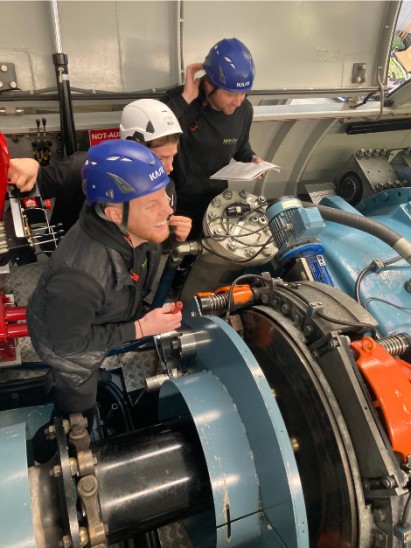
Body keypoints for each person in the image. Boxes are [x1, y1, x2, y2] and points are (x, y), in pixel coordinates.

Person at [27, 139, 183, 447]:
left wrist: (170, 238)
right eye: (152, 204)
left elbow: (144, 254)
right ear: (113, 215)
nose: (168, 207)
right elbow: (68, 345)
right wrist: (141, 328)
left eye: (165, 193)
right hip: (69, 352)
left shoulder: (131, 226)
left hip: (96, 321)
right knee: (79, 398)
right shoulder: (79, 279)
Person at [7, 99, 191, 242]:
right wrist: (31, 168)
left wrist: (173, 235)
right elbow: (28, 185)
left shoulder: (166, 189)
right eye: (160, 159)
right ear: (134, 146)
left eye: (173, 156)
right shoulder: (81, 167)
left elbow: (152, 241)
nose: (169, 168)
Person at [162, 37, 264, 238]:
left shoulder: (245, 110)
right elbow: (150, 136)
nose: (237, 101)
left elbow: (241, 145)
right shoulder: (180, 102)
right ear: (209, 85)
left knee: (205, 251)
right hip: (179, 199)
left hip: (216, 199)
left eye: (243, 93)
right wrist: (185, 99)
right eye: (230, 93)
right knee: (178, 252)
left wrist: (251, 159)